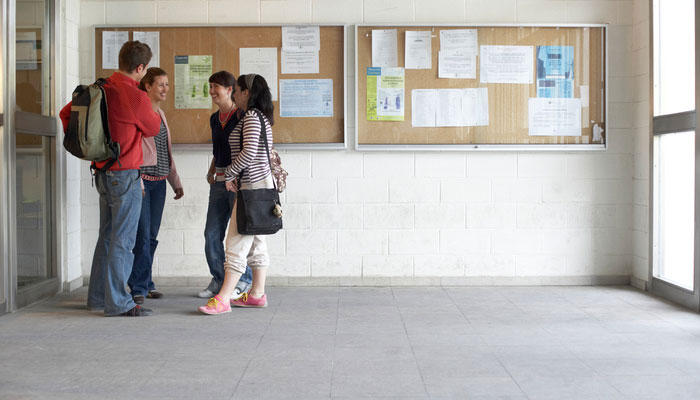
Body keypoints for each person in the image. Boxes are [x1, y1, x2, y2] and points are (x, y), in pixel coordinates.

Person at [59, 41, 160, 316]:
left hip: (102, 173)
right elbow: (153, 127)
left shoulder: (99, 88)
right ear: (140, 68)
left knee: (106, 237)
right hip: (125, 174)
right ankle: (118, 302)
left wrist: (92, 143)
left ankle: (98, 298)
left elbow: (65, 113)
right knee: (123, 240)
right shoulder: (135, 95)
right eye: (145, 68)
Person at [199, 73, 275, 315]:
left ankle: (222, 298)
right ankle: (256, 294)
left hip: (250, 188)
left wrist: (230, 173)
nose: (235, 94)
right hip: (260, 187)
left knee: (235, 242)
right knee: (256, 242)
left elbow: (249, 152)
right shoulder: (260, 116)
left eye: (238, 90)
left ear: (244, 92)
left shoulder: (251, 116)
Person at [127, 67, 184, 305]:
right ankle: (137, 287)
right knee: (142, 236)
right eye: (160, 84)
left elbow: (165, 153)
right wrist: (137, 180)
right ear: (147, 86)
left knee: (151, 236)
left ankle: (146, 282)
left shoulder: (160, 114)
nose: (165, 89)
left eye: (167, 84)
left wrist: (175, 182)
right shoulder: (141, 112)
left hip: (160, 183)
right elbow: (134, 151)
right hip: (142, 183)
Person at [198, 71, 253, 299]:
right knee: (211, 234)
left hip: (238, 184)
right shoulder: (214, 118)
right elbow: (218, 151)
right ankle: (220, 280)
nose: (212, 92)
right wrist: (212, 170)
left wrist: (234, 175)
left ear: (230, 90)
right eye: (210, 86)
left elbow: (244, 151)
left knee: (238, 236)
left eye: (216, 87)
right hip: (219, 182)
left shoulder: (241, 116)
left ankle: (244, 280)